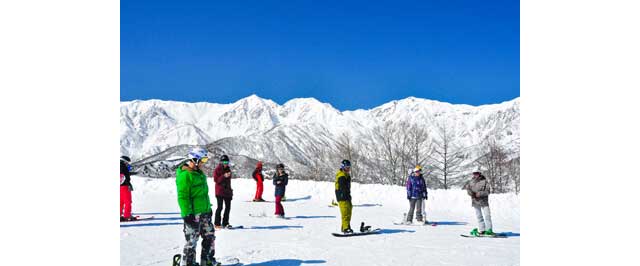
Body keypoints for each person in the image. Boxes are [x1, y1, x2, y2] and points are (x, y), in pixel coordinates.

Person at [176, 148, 217, 266]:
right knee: (192, 240)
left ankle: (207, 261)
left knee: (210, 236)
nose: (204, 163)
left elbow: (203, 194)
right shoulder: (185, 176)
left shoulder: (199, 173)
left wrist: (208, 209)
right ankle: (188, 263)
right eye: (202, 160)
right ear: (194, 159)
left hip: (205, 212)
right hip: (193, 214)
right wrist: (187, 214)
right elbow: (183, 196)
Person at [464, 171, 494, 236]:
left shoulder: (484, 181)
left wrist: (480, 193)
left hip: (484, 201)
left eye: (477, 173)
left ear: (479, 174)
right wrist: (471, 193)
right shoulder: (471, 181)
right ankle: (482, 230)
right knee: (479, 216)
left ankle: (489, 230)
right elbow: (468, 190)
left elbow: (488, 191)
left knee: (487, 215)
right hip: (475, 201)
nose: (475, 175)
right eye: (474, 173)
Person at [213, 155, 234, 229]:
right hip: (219, 192)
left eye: (227, 162)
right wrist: (224, 176)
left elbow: (228, 182)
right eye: (224, 162)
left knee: (228, 207)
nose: (225, 163)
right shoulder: (217, 169)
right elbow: (216, 180)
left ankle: (225, 223)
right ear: (221, 162)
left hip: (227, 192)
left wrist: (231, 192)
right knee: (220, 207)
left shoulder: (228, 169)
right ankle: (217, 223)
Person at [335, 159, 353, 233]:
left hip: (347, 196)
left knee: (349, 211)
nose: (348, 169)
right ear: (343, 167)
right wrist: (343, 195)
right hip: (342, 197)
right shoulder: (341, 175)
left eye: (349, 167)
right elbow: (342, 187)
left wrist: (348, 196)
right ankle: (345, 228)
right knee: (345, 212)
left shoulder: (347, 175)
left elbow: (347, 188)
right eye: (346, 167)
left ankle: (346, 226)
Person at [120, 156, 136, 221]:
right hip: (124, 186)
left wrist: (130, 173)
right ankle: (127, 215)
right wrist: (128, 184)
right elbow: (124, 176)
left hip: (119, 187)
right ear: (124, 161)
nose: (128, 164)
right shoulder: (123, 166)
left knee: (120, 201)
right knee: (127, 201)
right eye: (127, 162)